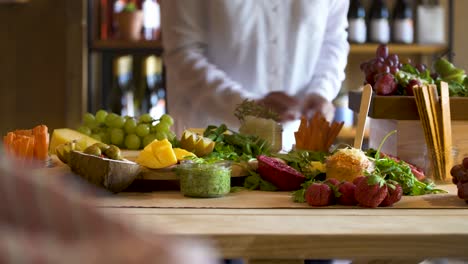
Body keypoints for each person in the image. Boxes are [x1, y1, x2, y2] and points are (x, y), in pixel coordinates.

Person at [160, 0, 350, 151]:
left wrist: (322, 90)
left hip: (293, 142)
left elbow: (333, 40)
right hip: (208, 142)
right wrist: (245, 107)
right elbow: (182, 52)